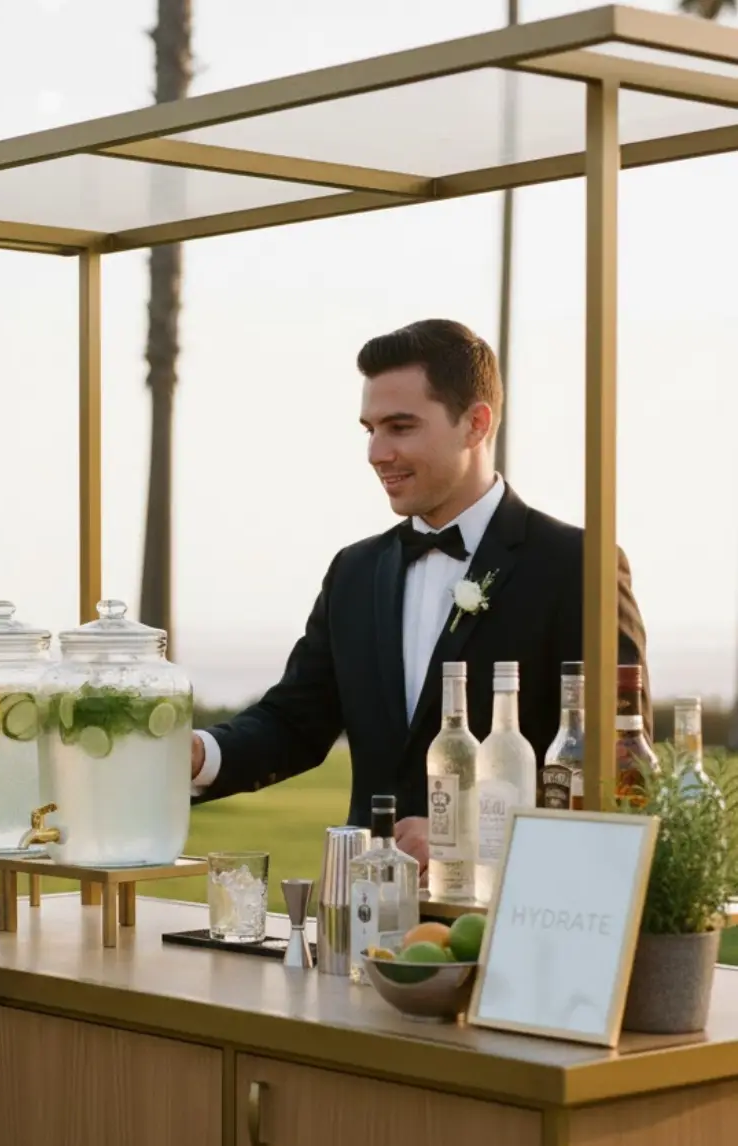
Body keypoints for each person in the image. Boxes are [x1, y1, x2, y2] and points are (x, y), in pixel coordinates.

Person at [191, 319, 649, 873]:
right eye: (370, 430)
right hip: (365, 910)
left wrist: (474, 832)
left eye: (401, 427)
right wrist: (198, 754)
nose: (377, 452)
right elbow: (295, 720)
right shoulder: (355, 572)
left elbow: (616, 759)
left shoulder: (577, 565)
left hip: (517, 915)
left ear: (475, 424)